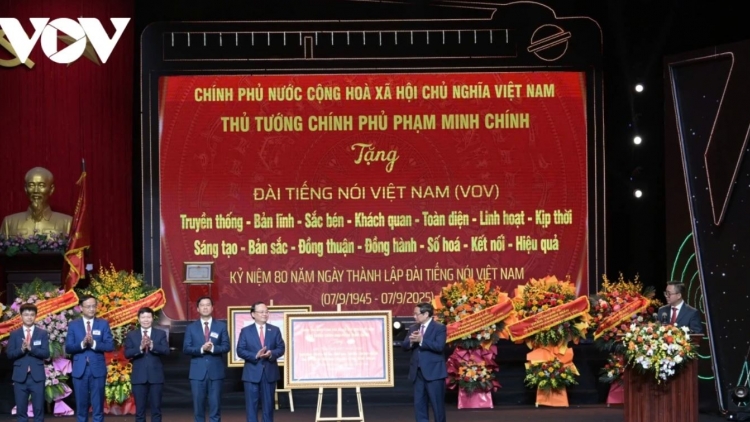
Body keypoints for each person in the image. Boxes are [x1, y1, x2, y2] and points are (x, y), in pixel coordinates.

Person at [65, 295, 114, 422]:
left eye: (93, 306)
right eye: (88, 306)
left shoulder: (103, 324)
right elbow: (68, 348)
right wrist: (82, 344)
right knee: (81, 406)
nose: (91, 309)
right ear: (81, 308)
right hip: (80, 370)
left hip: (97, 369)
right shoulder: (73, 325)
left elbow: (109, 346)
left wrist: (94, 344)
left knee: (98, 406)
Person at [236, 301, 285, 422]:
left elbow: (281, 348)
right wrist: (255, 355)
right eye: (261, 312)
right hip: (251, 374)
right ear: (253, 314)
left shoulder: (275, 330)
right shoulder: (245, 331)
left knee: (268, 407)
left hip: (269, 373)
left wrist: (271, 353)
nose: (265, 314)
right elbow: (240, 350)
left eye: (266, 312)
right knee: (251, 407)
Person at [183, 296, 229, 422]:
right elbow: (186, 348)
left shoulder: (221, 326)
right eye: (202, 305)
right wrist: (202, 349)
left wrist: (213, 348)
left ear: (212, 308)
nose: (205, 307)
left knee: (215, 407)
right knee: (198, 409)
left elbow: (226, 347)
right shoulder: (191, 327)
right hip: (197, 373)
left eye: (208, 305)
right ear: (198, 309)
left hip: (216, 372)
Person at [402, 302, 447, 422]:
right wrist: (411, 341)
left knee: (437, 406)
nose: (414, 316)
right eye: (414, 314)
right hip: (417, 373)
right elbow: (404, 346)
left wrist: (422, 340)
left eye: (416, 314)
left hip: (434, 373)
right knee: (419, 405)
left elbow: (439, 346)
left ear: (426, 314)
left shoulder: (439, 328)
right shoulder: (413, 328)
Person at [124, 307, 170, 422]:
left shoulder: (160, 334)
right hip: (139, 377)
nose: (146, 320)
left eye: (148, 317)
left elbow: (166, 351)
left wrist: (153, 346)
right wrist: (140, 348)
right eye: (143, 317)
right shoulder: (131, 335)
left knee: (156, 410)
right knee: (140, 412)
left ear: (152, 318)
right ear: (138, 319)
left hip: (156, 377)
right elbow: (127, 353)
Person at [6, 304, 50, 422]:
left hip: (37, 377)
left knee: (39, 410)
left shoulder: (42, 333)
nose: (29, 317)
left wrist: (31, 349)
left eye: (32, 315)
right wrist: (22, 349)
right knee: (21, 410)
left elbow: (46, 353)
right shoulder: (15, 334)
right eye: (26, 315)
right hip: (20, 377)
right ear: (21, 316)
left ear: (35, 316)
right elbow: (10, 354)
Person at [1, 167, 72, 237]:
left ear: (51, 189)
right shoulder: (9, 222)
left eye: (41, 185)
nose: (36, 191)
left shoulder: (67, 223)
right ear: (25, 189)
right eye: (31, 185)